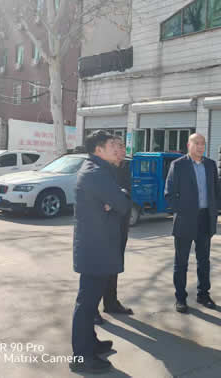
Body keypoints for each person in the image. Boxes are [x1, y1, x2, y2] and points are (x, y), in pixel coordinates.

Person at [70, 130, 132, 374]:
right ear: (98, 149)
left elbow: (117, 202)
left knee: (90, 301)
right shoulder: (95, 173)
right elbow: (123, 204)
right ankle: (81, 357)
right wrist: (118, 198)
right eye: (111, 145)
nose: (117, 149)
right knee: (86, 304)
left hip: (99, 245)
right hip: (95, 248)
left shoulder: (101, 170)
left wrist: (115, 200)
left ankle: (91, 343)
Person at [165, 133, 220, 313]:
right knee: (181, 262)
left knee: (204, 260)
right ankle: (180, 298)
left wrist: (214, 211)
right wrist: (182, 211)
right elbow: (169, 193)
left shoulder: (210, 165)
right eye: (196, 143)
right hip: (185, 219)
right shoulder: (178, 165)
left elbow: (216, 191)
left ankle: (203, 294)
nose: (200, 146)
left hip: (205, 219)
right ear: (188, 145)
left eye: (203, 143)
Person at [95, 137, 133, 325]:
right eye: (118, 147)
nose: (122, 150)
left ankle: (111, 302)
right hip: (103, 225)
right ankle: (92, 308)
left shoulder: (125, 167)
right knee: (98, 268)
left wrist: (120, 196)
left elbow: (127, 191)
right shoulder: (101, 168)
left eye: (123, 147)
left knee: (114, 264)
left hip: (121, 223)